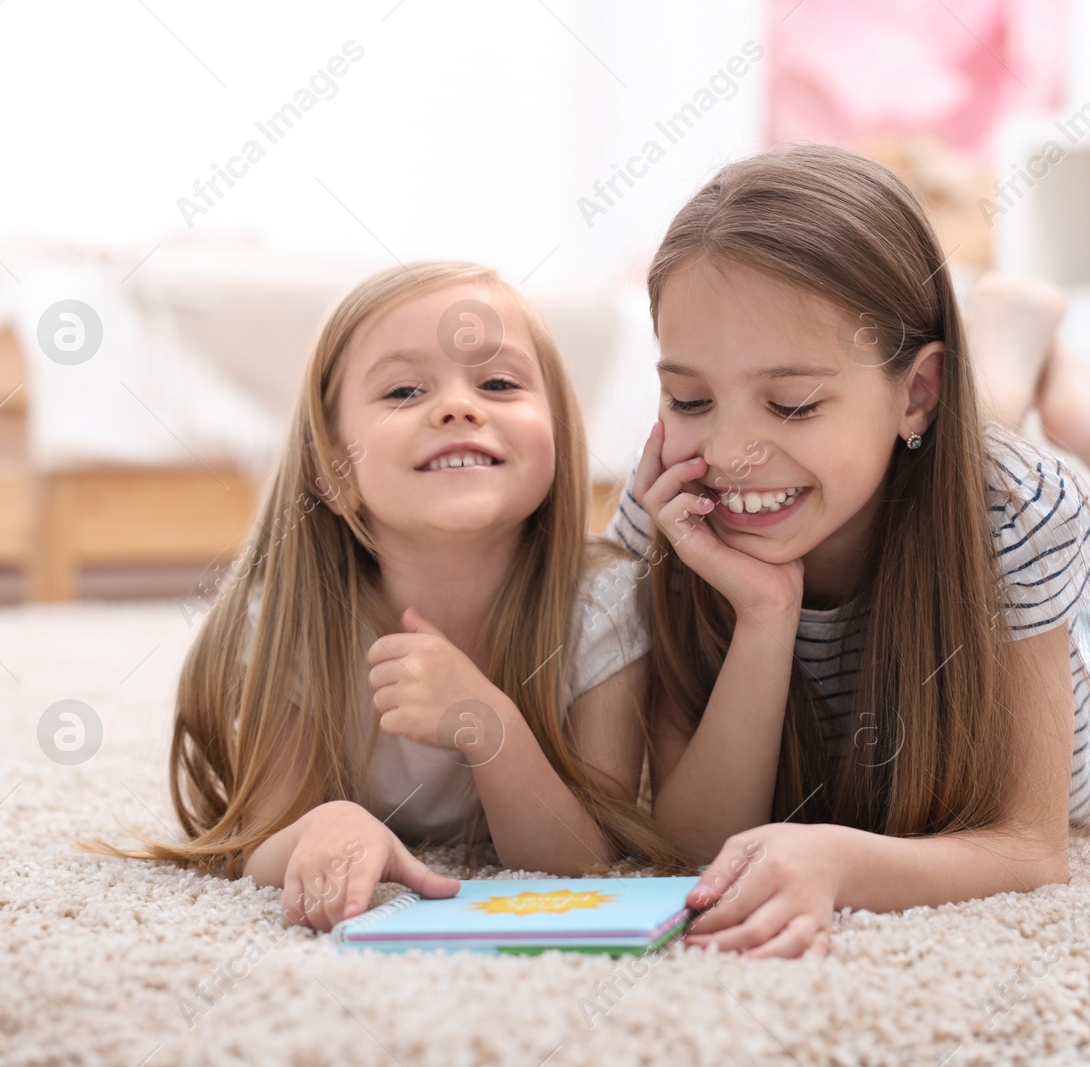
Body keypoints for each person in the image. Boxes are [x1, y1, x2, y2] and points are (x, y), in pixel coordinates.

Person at [604, 145, 1090, 959]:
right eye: (688, 397)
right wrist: (765, 616)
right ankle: (1004, 349)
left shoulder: (1017, 507)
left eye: (793, 404)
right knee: (950, 467)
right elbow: (701, 845)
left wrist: (843, 860)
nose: (729, 449)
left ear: (918, 391)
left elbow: (1029, 847)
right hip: (948, 492)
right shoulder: (673, 497)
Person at [91, 261, 678, 930]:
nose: (460, 405)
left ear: (560, 437)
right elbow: (262, 843)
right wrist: (331, 825)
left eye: (498, 382)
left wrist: (488, 724)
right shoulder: (288, 625)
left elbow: (582, 859)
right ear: (330, 475)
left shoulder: (604, 606)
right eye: (403, 391)